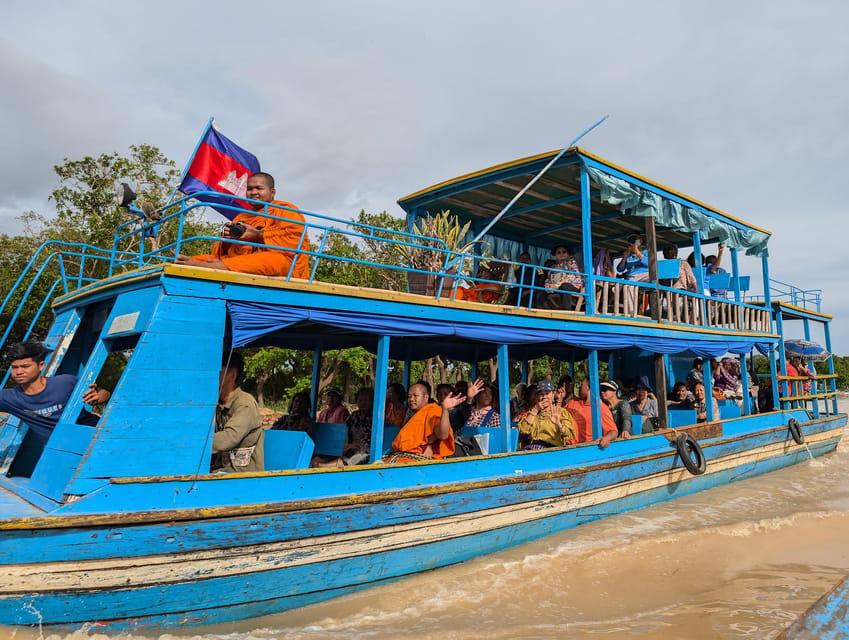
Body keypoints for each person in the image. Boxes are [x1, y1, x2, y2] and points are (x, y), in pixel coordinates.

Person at [176, 172, 311, 278]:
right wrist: (229, 239)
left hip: (282, 264)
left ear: (272, 192)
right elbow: (223, 250)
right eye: (250, 189)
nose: (253, 192)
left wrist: (258, 235)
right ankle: (213, 265)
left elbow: (294, 240)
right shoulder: (242, 216)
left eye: (259, 188)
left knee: (274, 260)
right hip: (239, 260)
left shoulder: (285, 210)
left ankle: (214, 267)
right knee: (201, 258)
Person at [0, 341, 111, 445]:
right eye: (14, 367)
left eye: (25, 366)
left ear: (41, 366)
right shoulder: (9, 397)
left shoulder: (65, 382)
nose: (19, 372)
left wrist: (98, 396)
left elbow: (105, 393)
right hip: (60, 449)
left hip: (98, 435)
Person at [212, 352, 264, 473]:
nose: (213, 374)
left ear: (232, 375)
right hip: (223, 468)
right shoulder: (219, 404)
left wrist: (195, 442)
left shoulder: (245, 403)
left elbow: (229, 438)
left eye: (219, 371)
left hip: (243, 473)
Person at [388, 383, 455, 460]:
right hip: (401, 455)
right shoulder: (412, 415)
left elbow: (443, 435)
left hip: (418, 458)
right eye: (409, 396)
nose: (411, 399)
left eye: (415, 396)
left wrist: (445, 410)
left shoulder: (433, 411)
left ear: (426, 397)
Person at [516, 380, 577, 450]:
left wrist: (559, 424)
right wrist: (535, 409)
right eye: (541, 394)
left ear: (553, 394)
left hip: (551, 449)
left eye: (547, 393)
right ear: (537, 396)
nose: (544, 397)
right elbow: (523, 430)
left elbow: (570, 435)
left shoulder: (561, 412)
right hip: (532, 448)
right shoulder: (534, 412)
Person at [565, 378, 619, 447]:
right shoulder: (572, 402)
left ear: (588, 388)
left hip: (582, 448)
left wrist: (606, 438)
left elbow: (613, 431)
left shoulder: (600, 408)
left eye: (582, 385)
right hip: (563, 444)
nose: (579, 387)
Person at [616, 234, 650, 315]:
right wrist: (624, 258)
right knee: (629, 286)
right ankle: (631, 312)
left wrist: (638, 253)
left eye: (635, 242)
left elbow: (650, 264)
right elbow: (619, 269)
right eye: (630, 243)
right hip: (632, 277)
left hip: (645, 275)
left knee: (654, 277)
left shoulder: (645, 252)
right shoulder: (628, 256)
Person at [544, 245, 584, 310]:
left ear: (567, 253)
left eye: (564, 252)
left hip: (573, 286)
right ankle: (540, 308)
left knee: (564, 286)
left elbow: (571, 276)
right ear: (555, 255)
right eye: (559, 252)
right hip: (556, 287)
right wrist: (548, 285)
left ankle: (566, 310)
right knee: (541, 290)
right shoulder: (553, 267)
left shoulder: (571, 263)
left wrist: (557, 285)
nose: (561, 254)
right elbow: (548, 278)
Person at [341, 387, 374, 465]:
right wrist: (346, 445)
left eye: (366, 400)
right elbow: (345, 430)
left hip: (366, 450)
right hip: (350, 447)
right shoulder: (354, 415)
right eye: (360, 400)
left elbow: (368, 441)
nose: (363, 403)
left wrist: (353, 445)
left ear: (372, 401)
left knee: (350, 460)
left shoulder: (374, 417)